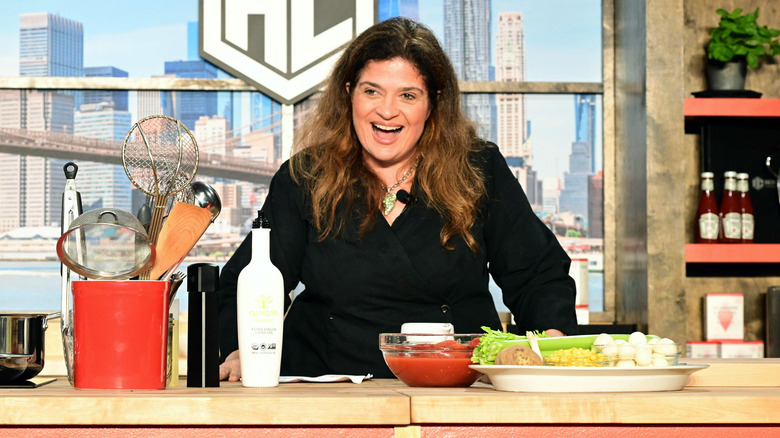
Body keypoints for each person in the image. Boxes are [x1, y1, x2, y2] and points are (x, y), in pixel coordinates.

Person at [218, 17, 577, 381]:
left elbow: (537, 274)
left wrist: (551, 340)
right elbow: (246, 283)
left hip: (455, 386)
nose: (387, 111)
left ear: (433, 103)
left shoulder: (479, 168)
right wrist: (237, 349)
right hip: (328, 387)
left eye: (408, 95)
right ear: (348, 93)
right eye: (371, 91)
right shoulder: (306, 176)